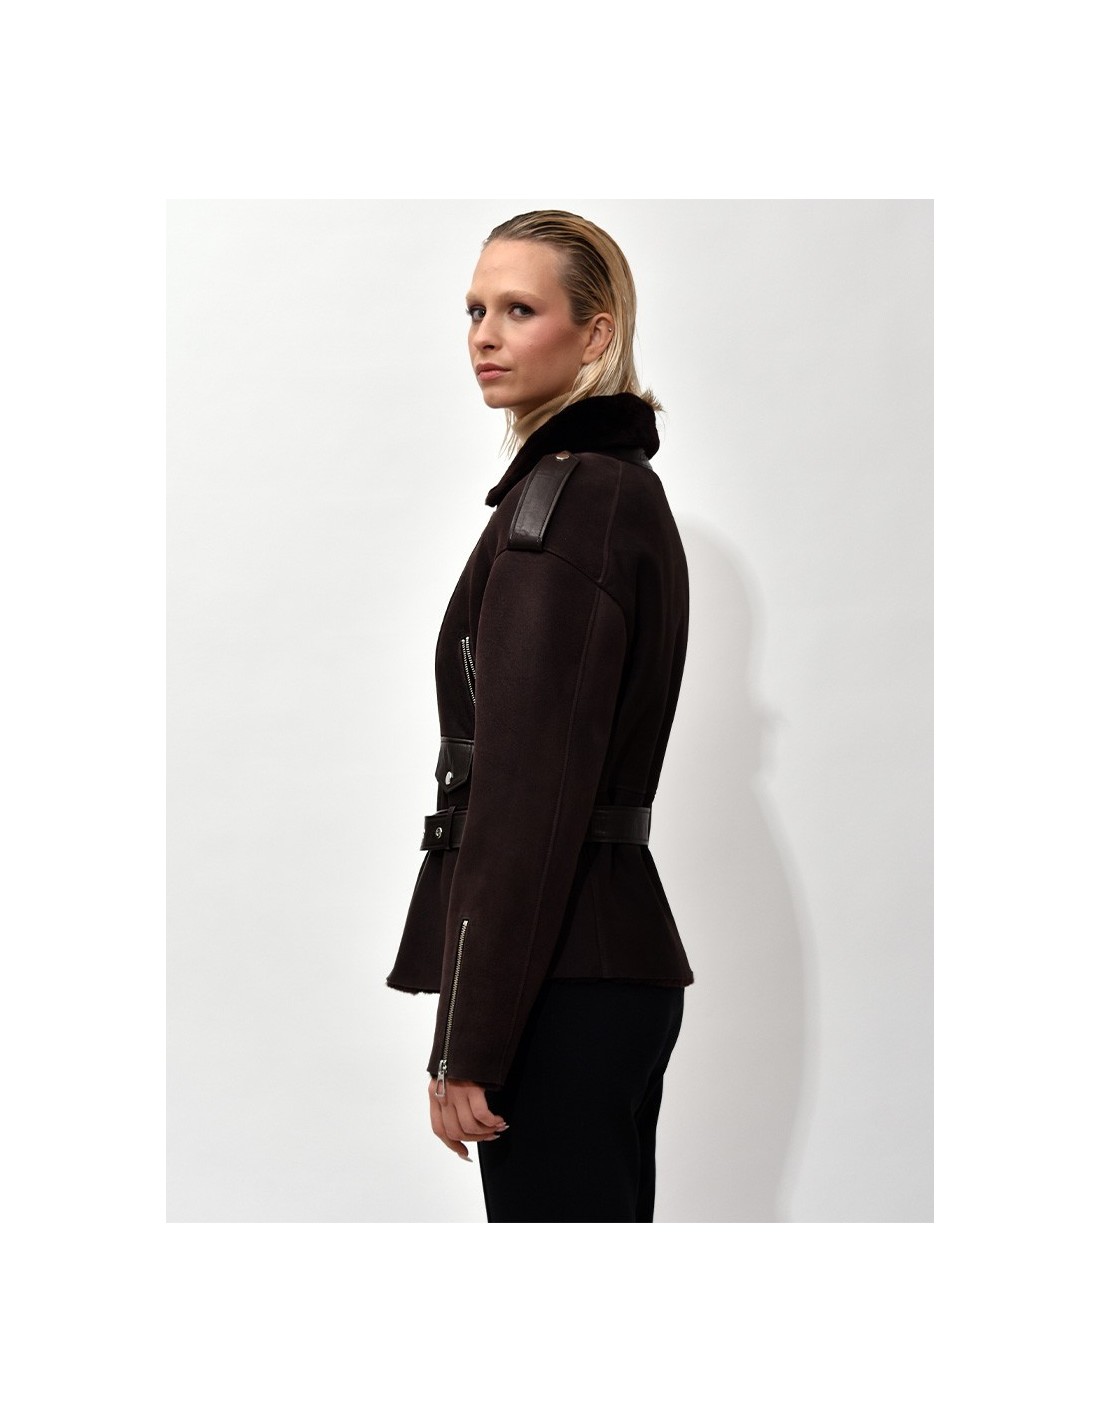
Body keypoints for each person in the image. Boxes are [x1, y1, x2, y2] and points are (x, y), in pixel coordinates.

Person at [386, 210, 693, 1222]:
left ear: (595, 333)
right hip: (596, 971)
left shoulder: (560, 514)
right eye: (475, 310)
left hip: (558, 989)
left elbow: (524, 800)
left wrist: (467, 1042)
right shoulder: (613, 492)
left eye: (519, 310)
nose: (484, 335)